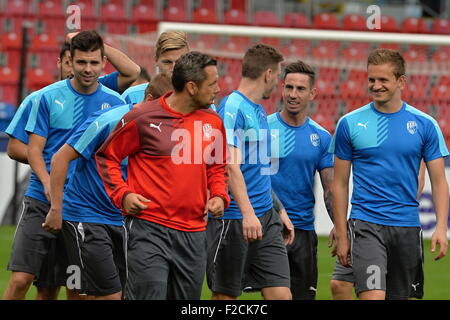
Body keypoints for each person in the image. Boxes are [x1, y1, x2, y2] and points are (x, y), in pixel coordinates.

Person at [2, 30, 126, 300]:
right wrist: (48, 183)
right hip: (41, 199)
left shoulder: (116, 103)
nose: (88, 69)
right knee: (23, 280)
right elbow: (32, 149)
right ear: (69, 61)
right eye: (81, 62)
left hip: (81, 206)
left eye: (94, 63)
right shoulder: (45, 97)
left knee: (75, 287)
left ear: (103, 62)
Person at [96, 51, 230, 300]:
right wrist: (123, 195)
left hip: (194, 234)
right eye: (212, 84)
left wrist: (220, 195)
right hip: (148, 229)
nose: (218, 89)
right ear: (191, 87)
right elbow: (107, 157)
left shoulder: (214, 122)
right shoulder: (142, 116)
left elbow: (217, 166)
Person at [41, 72, 173, 300]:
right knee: (106, 295)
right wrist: (56, 209)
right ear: (150, 97)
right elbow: (59, 159)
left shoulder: (161, 128)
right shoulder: (109, 119)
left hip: (123, 222)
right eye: (166, 105)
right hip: (87, 217)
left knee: (100, 294)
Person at [330, 48, 449, 300]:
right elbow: (339, 184)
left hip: (407, 226)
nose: (376, 85)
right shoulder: (349, 123)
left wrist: (440, 227)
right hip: (366, 224)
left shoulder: (425, 124)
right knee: (371, 296)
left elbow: (439, 182)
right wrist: (341, 232)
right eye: (372, 79)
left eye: (383, 80)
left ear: (401, 81)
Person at [206, 43, 292, 300]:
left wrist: (279, 211)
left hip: (266, 216)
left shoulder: (258, 110)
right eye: (277, 76)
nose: (276, 82)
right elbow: (230, 165)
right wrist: (248, 213)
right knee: (225, 297)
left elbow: (258, 169)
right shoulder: (232, 107)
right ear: (267, 74)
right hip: (235, 218)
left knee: (281, 295)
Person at [5, 37, 140, 165]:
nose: (77, 69)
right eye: (71, 62)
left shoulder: (105, 91)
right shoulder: (39, 98)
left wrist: (93, 44)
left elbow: (132, 71)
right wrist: (56, 161)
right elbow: (14, 148)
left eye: (91, 61)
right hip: (48, 181)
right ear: (60, 63)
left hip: (88, 187)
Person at [268, 60, 334, 300]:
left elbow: (329, 189)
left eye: (300, 89)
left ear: (313, 93)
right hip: (268, 228)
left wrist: (339, 223)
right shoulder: (263, 129)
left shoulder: (322, 137)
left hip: (304, 232)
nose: (293, 94)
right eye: (289, 87)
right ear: (282, 88)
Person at [330, 160, 427, 300]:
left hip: (400, 224)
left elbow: (418, 179)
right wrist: (340, 226)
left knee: (400, 294)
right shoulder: (363, 139)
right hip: (364, 224)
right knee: (339, 284)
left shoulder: (418, 139)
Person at [121, 31, 189, 104]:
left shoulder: (198, 96)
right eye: (167, 62)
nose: (173, 68)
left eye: (179, 62)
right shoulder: (132, 95)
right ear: (156, 60)